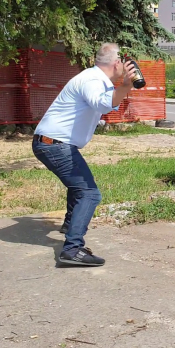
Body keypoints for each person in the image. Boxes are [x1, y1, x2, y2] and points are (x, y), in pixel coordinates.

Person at [32, 42, 137, 267]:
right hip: (54, 144)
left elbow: (108, 106)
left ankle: (70, 226)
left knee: (78, 187)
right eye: (124, 61)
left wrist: (123, 87)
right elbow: (102, 103)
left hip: (53, 143)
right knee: (89, 193)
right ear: (117, 63)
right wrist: (126, 85)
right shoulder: (92, 79)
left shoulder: (98, 80)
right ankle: (72, 249)